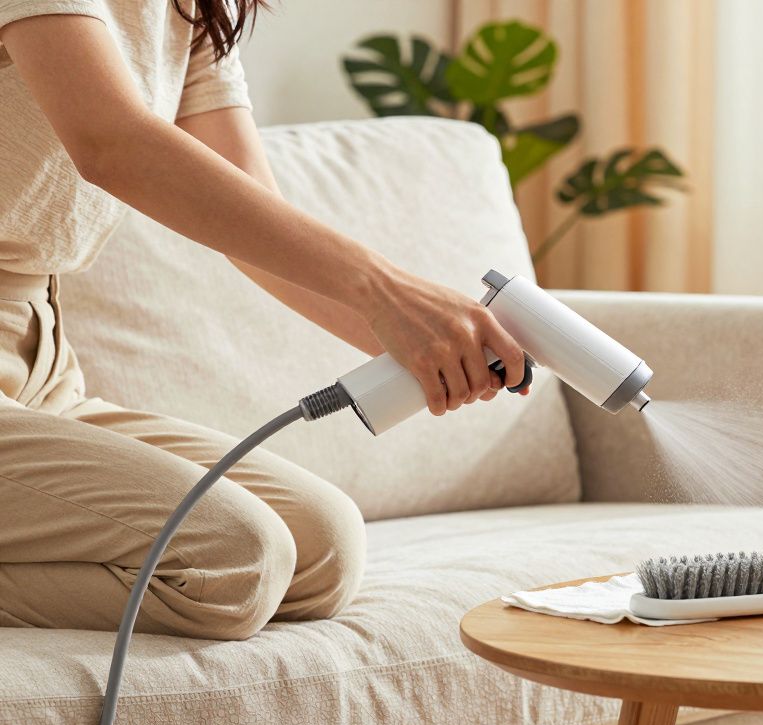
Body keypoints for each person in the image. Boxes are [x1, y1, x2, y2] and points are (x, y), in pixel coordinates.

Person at [0, 0, 528, 640]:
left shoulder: (189, 9)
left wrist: (438, 342)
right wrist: (386, 290)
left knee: (321, 548)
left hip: (40, 361)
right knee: (233, 558)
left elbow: (251, 220)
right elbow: (112, 142)